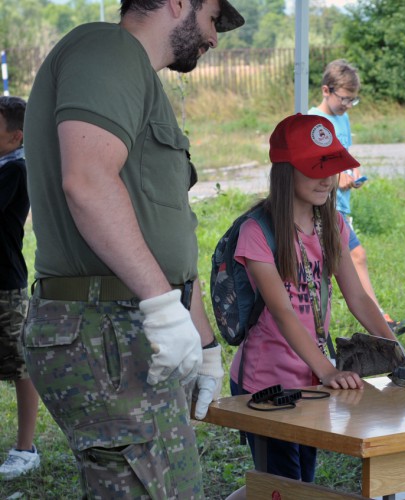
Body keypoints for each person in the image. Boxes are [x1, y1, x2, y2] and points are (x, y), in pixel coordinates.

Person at [21, 0, 244, 496]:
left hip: (125, 326)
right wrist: (163, 307)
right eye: (212, 19)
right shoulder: (108, 49)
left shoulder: (134, 75)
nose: (214, 37)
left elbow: (162, 231)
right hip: (107, 328)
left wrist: (204, 340)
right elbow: (88, 182)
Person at [225, 114, 400, 498]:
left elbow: (358, 298)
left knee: (299, 484)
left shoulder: (331, 223)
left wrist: (397, 352)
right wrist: (328, 370)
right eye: (315, 168)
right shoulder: (258, 231)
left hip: (312, 382)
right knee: (285, 489)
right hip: (268, 386)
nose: (327, 179)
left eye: (333, 167)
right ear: (285, 171)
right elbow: (283, 312)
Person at [308, 59, 405, 336]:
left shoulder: (342, 118)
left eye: (353, 100)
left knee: (349, 260)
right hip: (322, 208)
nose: (348, 105)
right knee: (353, 257)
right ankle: (379, 323)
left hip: (339, 206)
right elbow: (311, 167)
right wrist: (334, 178)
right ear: (326, 90)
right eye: (344, 99)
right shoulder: (314, 122)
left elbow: (344, 155)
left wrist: (353, 171)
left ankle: (378, 321)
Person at [0, 96, 41, 481]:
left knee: (19, 365)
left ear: (16, 136)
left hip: (5, 287)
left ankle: (26, 448)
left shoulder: (16, 168)